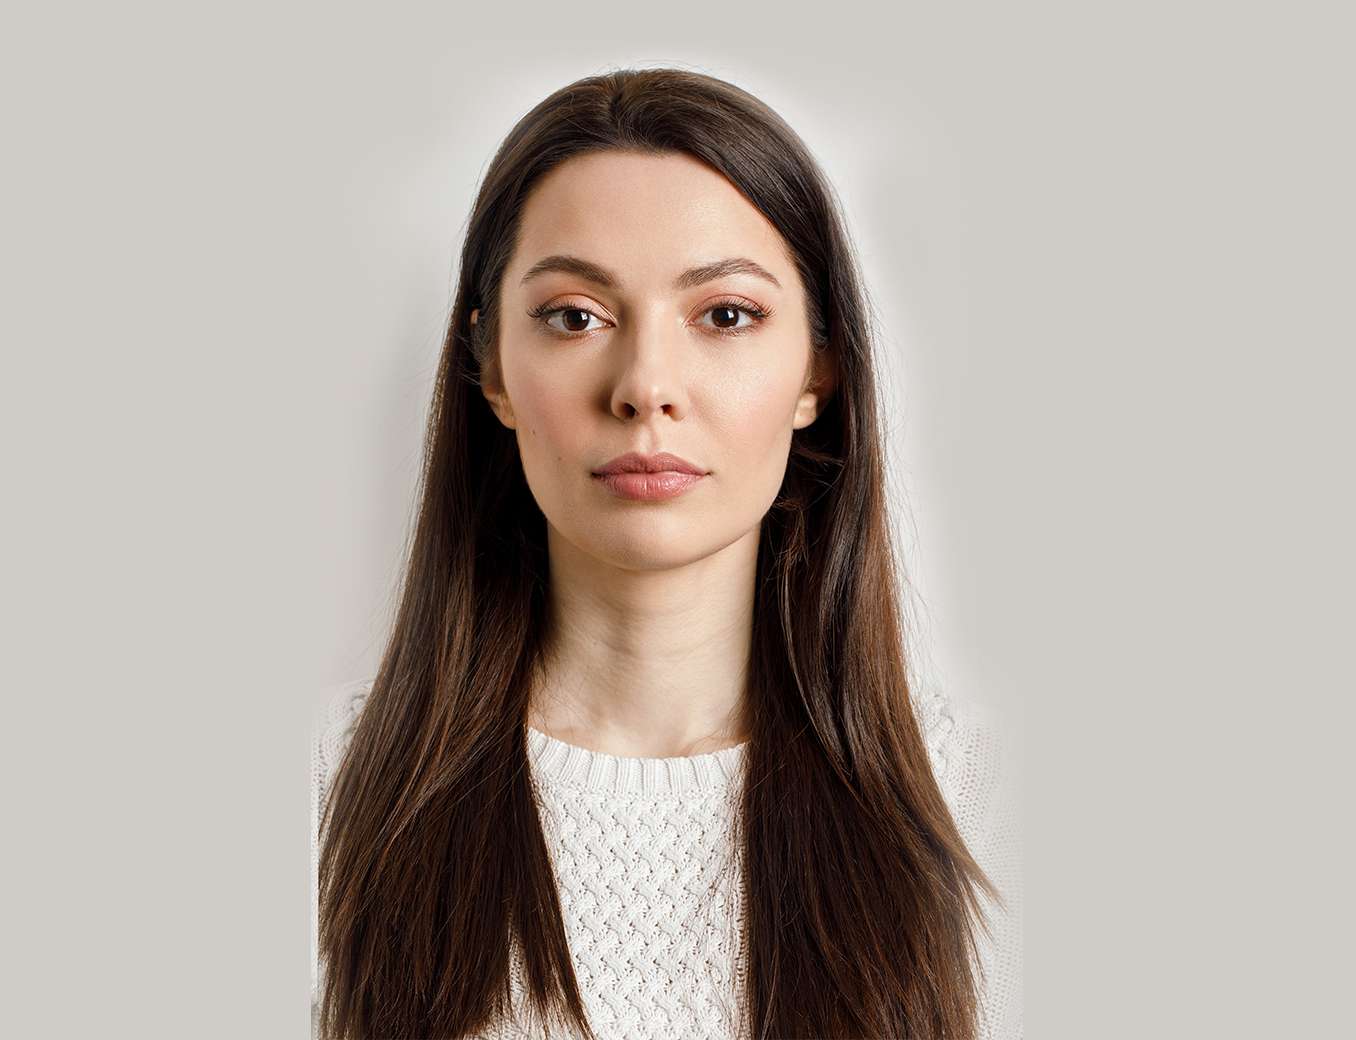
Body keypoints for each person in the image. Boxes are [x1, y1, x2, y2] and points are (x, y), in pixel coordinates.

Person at [313, 66, 1021, 1040]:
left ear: (820, 367)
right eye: (575, 316)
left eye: (725, 314)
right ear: (492, 368)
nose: (646, 385)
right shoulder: (327, 800)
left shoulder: (980, 804)